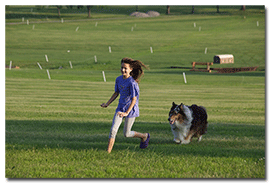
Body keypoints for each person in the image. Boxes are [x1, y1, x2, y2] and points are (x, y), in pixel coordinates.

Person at [101, 57, 150, 153]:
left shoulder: (132, 83)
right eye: (122, 67)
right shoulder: (118, 79)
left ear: (130, 69)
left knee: (127, 134)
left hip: (130, 110)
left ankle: (144, 136)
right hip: (120, 108)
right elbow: (116, 93)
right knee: (113, 130)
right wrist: (107, 103)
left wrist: (127, 113)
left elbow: (134, 99)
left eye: (125, 68)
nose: (123, 70)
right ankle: (108, 153)